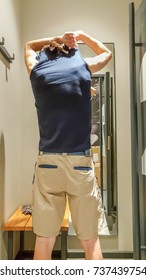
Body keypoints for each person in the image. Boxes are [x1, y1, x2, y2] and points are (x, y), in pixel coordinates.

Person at [24, 30, 112, 260]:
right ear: (71, 51)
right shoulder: (82, 67)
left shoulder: (37, 71)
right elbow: (107, 53)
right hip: (79, 163)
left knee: (44, 239)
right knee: (90, 240)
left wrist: (55, 39)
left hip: (47, 163)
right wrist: (83, 35)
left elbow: (29, 45)